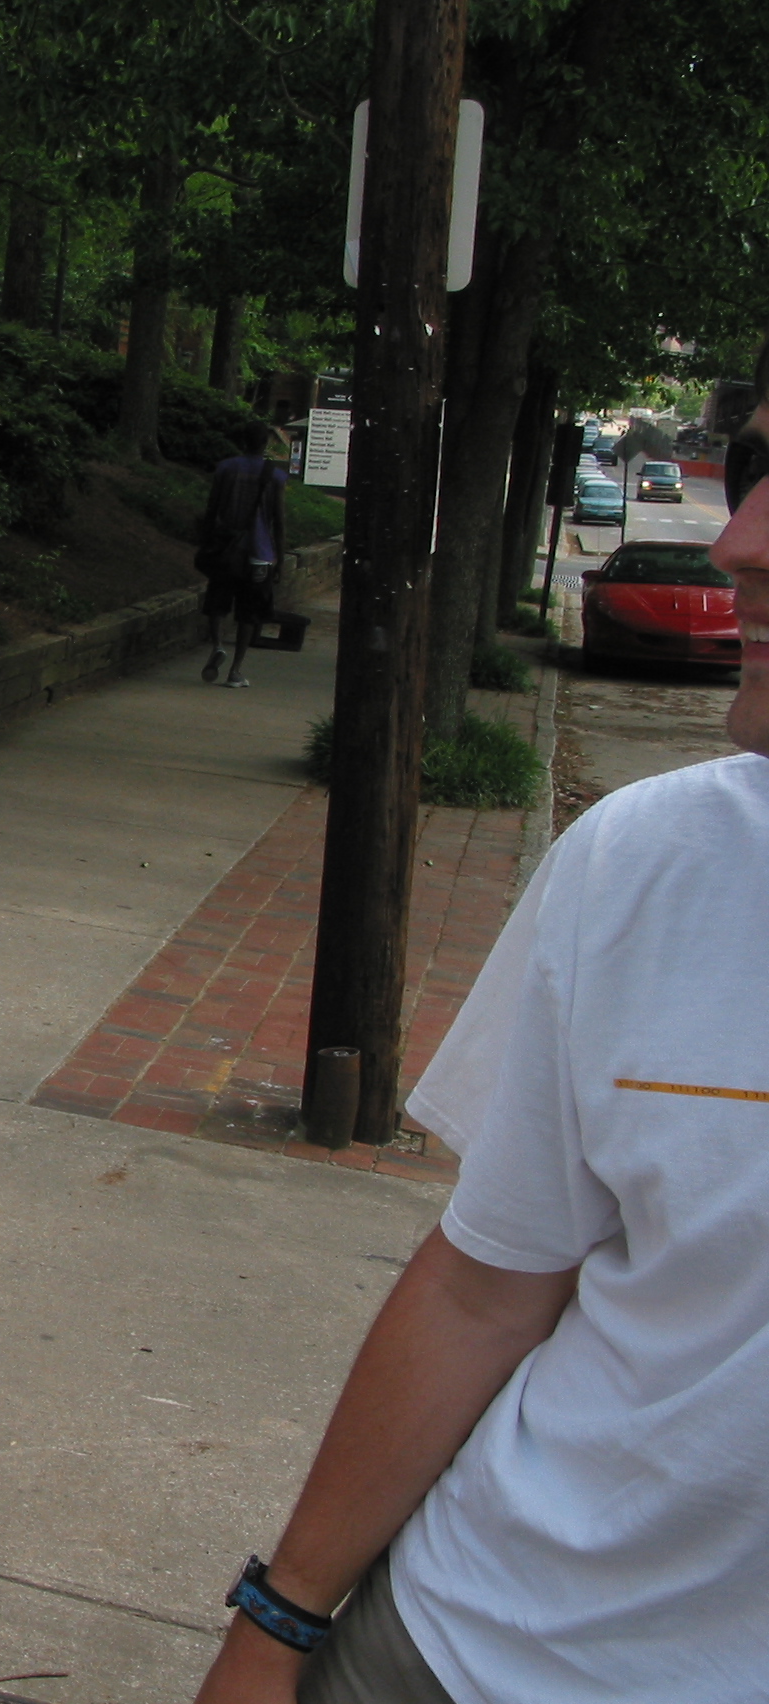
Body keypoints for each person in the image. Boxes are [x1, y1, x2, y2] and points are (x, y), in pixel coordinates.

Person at [190, 354, 769, 1704]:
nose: (739, 541)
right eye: (750, 479)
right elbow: (484, 1283)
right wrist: (278, 1624)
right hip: (466, 1649)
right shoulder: (644, 863)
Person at [197, 419, 287, 688]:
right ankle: (235, 670)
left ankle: (217, 644)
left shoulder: (226, 469)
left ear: (242, 441)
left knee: (218, 601)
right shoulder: (275, 475)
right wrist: (279, 557)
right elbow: (279, 521)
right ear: (265, 443)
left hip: (226, 549)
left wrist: (206, 541)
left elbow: (212, 509)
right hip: (260, 553)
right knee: (250, 612)